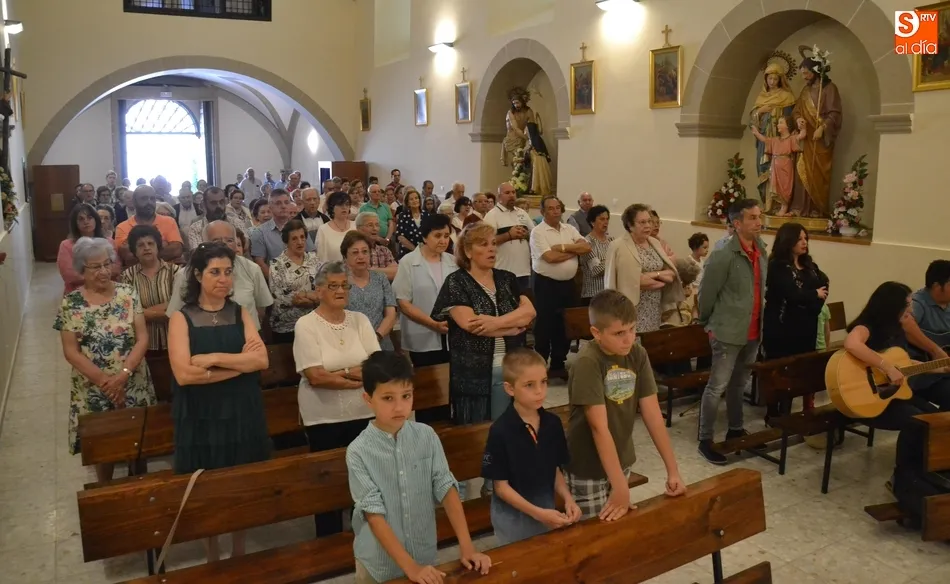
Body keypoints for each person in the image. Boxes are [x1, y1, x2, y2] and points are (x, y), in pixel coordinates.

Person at [346, 351, 492, 584]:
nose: (399, 407)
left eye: (406, 396)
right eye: (388, 398)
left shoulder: (426, 436)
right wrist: (410, 567)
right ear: (368, 399)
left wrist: (467, 547)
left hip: (424, 556)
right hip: (378, 564)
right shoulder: (358, 451)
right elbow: (373, 514)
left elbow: (446, 487)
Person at [167, 242, 271, 562]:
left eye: (228, 272)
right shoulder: (181, 319)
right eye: (215, 272)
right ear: (198, 275)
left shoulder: (239, 312)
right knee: (207, 488)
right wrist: (238, 367)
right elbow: (184, 375)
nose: (223, 279)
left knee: (240, 483)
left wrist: (213, 359)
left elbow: (262, 360)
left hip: (242, 409)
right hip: (201, 412)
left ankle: (239, 552)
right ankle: (212, 555)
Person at [564, 289, 686, 520]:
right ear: (596, 333)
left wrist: (673, 470)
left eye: (632, 329)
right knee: (593, 537)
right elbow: (598, 427)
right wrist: (620, 487)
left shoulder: (637, 353)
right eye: (619, 333)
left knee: (617, 528)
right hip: (587, 466)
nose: (629, 338)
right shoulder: (588, 362)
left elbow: (652, 414)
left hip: (620, 458)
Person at [55, 237, 156, 482]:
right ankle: (106, 491)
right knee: (103, 449)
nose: (104, 271)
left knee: (139, 446)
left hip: (133, 381)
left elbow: (143, 338)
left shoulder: (127, 293)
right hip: (93, 389)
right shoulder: (71, 303)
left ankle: (140, 490)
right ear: (81, 269)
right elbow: (71, 352)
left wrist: (123, 375)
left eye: (107, 264)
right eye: (95, 267)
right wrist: (106, 383)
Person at [294, 262, 381, 536]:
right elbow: (316, 376)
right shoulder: (306, 324)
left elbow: (375, 368)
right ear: (319, 291)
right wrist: (353, 374)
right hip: (323, 417)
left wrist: (339, 375)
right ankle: (329, 539)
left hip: (363, 413)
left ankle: (369, 534)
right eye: (333, 286)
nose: (341, 290)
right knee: (328, 483)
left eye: (345, 285)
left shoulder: (360, 320)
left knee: (366, 478)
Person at [842, 282, 947, 485]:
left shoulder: (897, 328)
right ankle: (902, 479)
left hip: (891, 395)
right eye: (907, 304)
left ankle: (926, 472)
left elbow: (904, 363)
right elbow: (852, 344)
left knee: (934, 419)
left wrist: (940, 367)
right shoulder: (866, 326)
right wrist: (886, 367)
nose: (910, 308)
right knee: (918, 422)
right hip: (868, 398)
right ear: (891, 305)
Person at [431, 222, 536, 424]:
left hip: (512, 364)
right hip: (474, 370)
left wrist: (496, 322)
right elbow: (472, 326)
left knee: (512, 426)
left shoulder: (507, 278)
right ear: (468, 251)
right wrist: (512, 327)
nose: (491, 249)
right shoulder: (456, 282)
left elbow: (529, 312)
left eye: (494, 243)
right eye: (483, 244)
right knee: (481, 430)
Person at [481, 348, 581, 544]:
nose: (539, 391)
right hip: (512, 520)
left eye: (543, 382)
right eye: (529, 385)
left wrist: (568, 499)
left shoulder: (552, 423)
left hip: (546, 509)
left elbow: (555, 469)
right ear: (510, 389)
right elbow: (501, 488)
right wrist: (538, 514)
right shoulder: (501, 431)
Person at [696, 199, 767, 464]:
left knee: (740, 384)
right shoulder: (724, 254)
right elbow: (706, 293)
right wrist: (708, 322)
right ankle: (705, 439)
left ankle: (735, 428)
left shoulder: (760, 248)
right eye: (752, 218)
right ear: (737, 224)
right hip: (727, 331)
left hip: (752, 329)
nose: (759, 222)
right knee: (717, 387)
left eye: (760, 216)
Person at [762, 223, 829, 413]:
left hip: (805, 325)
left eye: (806, 238)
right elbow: (791, 294)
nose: (804, 242)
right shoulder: (777, 265)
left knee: (798, 372)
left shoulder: (809, 265)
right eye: (799, 238)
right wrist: (812, 295)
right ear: (788, 240)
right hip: (782, 327)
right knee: (780, 372)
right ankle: (774, 414)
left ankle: (788, 413)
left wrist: (813, 303)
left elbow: (824, 285)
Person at [168, 221, 273, 331]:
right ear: (204, 243)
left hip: (247, 338)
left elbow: (261, 309)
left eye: (230, 240)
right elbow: (175, 314)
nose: (224, 245)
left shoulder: (252, 269)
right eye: (216, 240)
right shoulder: (185, 274)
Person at [529, 196, 591, 378]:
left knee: (565, 324)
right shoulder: (538, 232)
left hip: (568, 285)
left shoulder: (569, 228)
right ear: (543, 212)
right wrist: (573, 252)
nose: (556, 211)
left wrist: (563, 248)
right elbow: (549, 258)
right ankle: (540, 364)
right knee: (544, 324)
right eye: (551, 208)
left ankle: (558, 363)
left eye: (558, 208)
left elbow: (586, 247)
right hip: (545, 284)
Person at [604, 204, 684, 334]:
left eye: (649, 221)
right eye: (642, 222)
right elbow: (623, 281)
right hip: (630, 307)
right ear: (630, 225)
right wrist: (651, 278)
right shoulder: (617, 246)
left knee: (651, 346)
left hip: (654, 307)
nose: (648, 225)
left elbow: (670, 275)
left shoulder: (655, 243)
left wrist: (651, 275)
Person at [393, 214, 457, 368]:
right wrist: (432, 324)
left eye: (446, 236)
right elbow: (403, 302)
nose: (443, 240)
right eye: (437, 236)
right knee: (428, 381)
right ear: (424, 237)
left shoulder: (453, 261)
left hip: (452, 332)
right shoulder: (408, 262)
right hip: (421, 332)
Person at [121, 225, 180, 351]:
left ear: (158, 246)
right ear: (134, 250)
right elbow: (128, 312)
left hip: (175, 340)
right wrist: (166, 309)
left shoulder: (175, 272)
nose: (146, 248)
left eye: (150, 243)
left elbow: (179, 307)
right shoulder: (128, 276)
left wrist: (142, 312)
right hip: (142, 345)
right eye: (141, 245)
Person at [268, 219, 321, 343]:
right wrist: (311, 300)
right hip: (286, 327)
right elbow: (280, 299)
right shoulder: (276, 265)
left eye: (302, 237)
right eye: (294, 239)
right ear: (286, 241)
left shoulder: (314, 259)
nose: (300, 242)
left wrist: (308, 297)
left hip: (314, 323)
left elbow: (322, 289)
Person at [343, 231, 398, 351]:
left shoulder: (380, 278)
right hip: (350, 345)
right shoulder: (339, 282)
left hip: (381, 343)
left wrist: (376, 337)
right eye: (355, 252)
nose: (361, 256)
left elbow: (390, 314)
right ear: (345, 257)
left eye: (365, 251)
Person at [251, 188, 316, 279]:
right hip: (276, 284)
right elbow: (260, 263)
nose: (283, 206)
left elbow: (312, 255)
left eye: (286, 202)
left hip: (305, 280)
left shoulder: (299, 227)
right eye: (278, 203)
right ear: (270, 206)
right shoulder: (260, 233)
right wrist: (279, 283)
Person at [58, 204, 122, 294]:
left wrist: (90, 273)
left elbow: (117, 269)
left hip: (107, 290)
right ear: (75, 223)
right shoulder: (66, 245)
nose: (86, 222)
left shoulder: (109, 242)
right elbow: (70, 276)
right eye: (81, 219)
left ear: (96, 219)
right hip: (77, 292)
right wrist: (102, 275)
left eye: (89, 217)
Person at [750, 116, 806, 216]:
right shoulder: (775, 140)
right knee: (775, 186)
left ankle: (784, 207)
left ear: (787, 126)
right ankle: (776, 206)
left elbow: (801, 136)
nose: (778, 125)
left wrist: (803, 128)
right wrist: (756, 133)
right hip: (775, 166)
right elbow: (765, 140)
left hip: (785, 165)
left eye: (781, 123)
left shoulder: (791, 139)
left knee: (785, 186)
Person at [115, 185, 184, 265]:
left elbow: (176, 250)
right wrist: (163, 246)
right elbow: (128, 256)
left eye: (152, 198)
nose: (149, 202)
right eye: (144, 198)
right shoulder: (122, 227)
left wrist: (142, 253)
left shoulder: (169, 221)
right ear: (134, 201)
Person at [483, 183, 533, 292]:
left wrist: (526, 235)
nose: (511, 195)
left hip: (523, 271)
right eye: (507, 193)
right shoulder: (492, 215)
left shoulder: (522, 213)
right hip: (503, 270)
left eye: (513, 192)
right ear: (499, 197)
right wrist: (509, 235)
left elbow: (534, 234)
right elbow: (485, 242)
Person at [905, 260, 950, 362]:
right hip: (925, 368)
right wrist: (935, 351)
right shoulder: (917, 302)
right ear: (937, 286)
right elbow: (905, 324)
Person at [579, 204, 613, 304]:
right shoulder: (586, 243)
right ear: (592, 222)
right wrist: (613, 259)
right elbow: (596, 270)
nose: (605, 222)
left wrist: (605, 261)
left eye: (607, 219)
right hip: (593, 295)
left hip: (610, 293)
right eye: (602, 219)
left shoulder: (612, 241)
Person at [316, 191, 356, 263]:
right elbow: (321, 258)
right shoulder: (323, 229)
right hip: (333, 271)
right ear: (332, 207)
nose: (344, 207)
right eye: (340, 204)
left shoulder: (355, 226)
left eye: (347, 204)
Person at [356, 212, 397, 281]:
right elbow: (358, 275)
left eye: (377, 225)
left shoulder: (384, 250)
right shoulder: (353, 251)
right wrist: (385, 272)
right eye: (370, 225)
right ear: (359, 229)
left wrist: (371, 271)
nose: (375, 228)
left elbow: (395, 272)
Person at [186, 186, 230, 252]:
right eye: (213, 203)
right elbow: (198, 253)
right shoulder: (196, 227)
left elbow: (242, 250)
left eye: (221, 202)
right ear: (204, 204)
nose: (219, 206)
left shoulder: (236, 222)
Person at [395, 188, 427, 258]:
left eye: (416, 198)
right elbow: (400, 236)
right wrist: (416, 250)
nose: (414, 200)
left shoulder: (426, 215)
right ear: (407, 202)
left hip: (424, 253)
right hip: (407, 253)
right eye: (411, 199)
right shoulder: (403, 216)